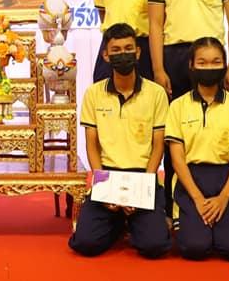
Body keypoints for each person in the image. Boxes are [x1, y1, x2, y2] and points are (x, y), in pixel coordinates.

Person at [149, 0, 229, 222]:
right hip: (174, 57)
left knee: (213, 130)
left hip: (211, 59)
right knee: (175, 134)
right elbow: (155, 24)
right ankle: (173, 207)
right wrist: (158, 69)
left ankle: (219, 200)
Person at [68, 23, 171, 259]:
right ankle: (118, 224)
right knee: (85, 244)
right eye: (116, 50)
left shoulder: (156, 93)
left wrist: (143, 186)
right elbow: (91, 145)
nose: (122, 54)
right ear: (106, 55)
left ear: (138, 52)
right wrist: (102, 185)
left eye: (128, 49)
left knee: (154, 246)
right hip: (107, 174)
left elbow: (158, 146)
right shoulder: (94, 93)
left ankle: (132, 222)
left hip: (142, 174)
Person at [165, 37, 229, 261]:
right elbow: (177, 160)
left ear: (224, 65)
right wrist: (197, 199)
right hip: (191, 179)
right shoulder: (177, 106)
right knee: (194, 248)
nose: (209, 68)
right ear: (191, 66)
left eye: (216, 62)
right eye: (202, 63)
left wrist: (224, 197)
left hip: (226, 179)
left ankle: (222, 224)